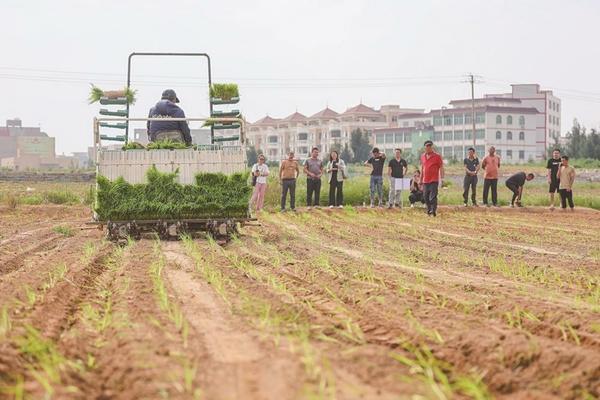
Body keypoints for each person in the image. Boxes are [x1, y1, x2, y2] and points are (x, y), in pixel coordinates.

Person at [420, 140, 444, 217]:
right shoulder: (423, 156)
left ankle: (433, 210)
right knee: (425, 196)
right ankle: (429, 209)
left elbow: (441, 167)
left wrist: (442, 178)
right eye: (427, 147)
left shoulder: (437, 156)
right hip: (425, 180)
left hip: (434, 180)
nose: (428, 148)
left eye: (429, 146)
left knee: (433, 197)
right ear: (424, 148)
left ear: (431, 147)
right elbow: (422, 168)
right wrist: (420, 179)